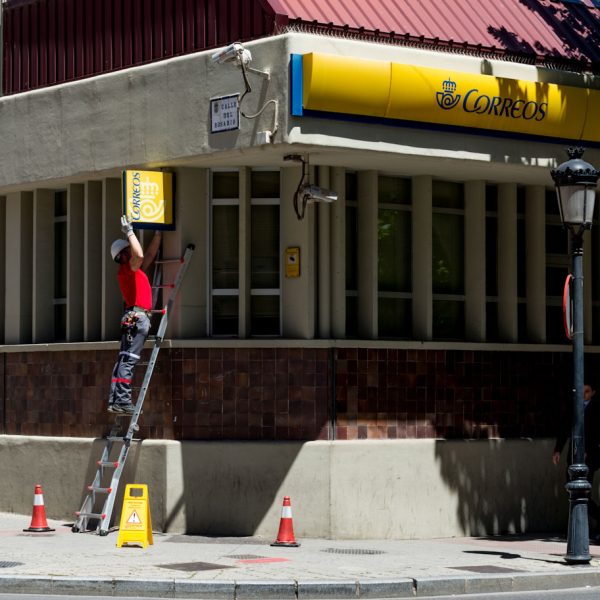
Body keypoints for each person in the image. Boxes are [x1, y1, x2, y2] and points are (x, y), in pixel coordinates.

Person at [108, 215, 162, 414]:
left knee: (124, 357)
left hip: (133, 316)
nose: (132, 250)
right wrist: (129, 231)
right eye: (129, 249)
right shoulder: (127, 268)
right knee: (129, 358)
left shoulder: (132, 271)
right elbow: (139, 256)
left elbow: (147, 255)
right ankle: (122, 400)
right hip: (137, 317)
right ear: (124, 254)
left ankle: (116, 400)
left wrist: (158, 234)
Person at [552, 382, 600, 534]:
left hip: (590, 457)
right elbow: (565, 428)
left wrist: (589, 451)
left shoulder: (597, 409)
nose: (583, 394)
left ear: (593, 392)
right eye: (581, 391)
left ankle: (583, 530)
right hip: (573, 455)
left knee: (584, 491)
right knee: (571, 488)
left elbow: (596, 433)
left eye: (587, 391)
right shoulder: (574, 408)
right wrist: (558, 450)